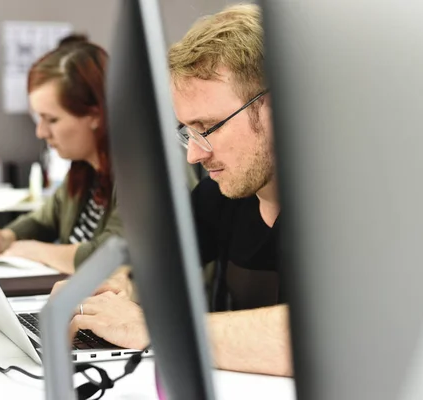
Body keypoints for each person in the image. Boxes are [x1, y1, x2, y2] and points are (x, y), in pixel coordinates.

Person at [65, 4, 292, 376]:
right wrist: (112, 291)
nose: (194, 154)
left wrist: (153, 329)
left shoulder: (342, 203)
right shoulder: (220, 195)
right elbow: (157, 264)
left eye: (208, 127)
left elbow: (329, 335)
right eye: (188, 130)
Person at [0, 43, 123, 275]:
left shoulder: (140, 175)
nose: (40, 132)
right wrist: (5, 237)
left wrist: (30, 250)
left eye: (51, 119)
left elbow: (109, 257)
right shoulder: (84, 168)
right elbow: (44, 219)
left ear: (95, 115)